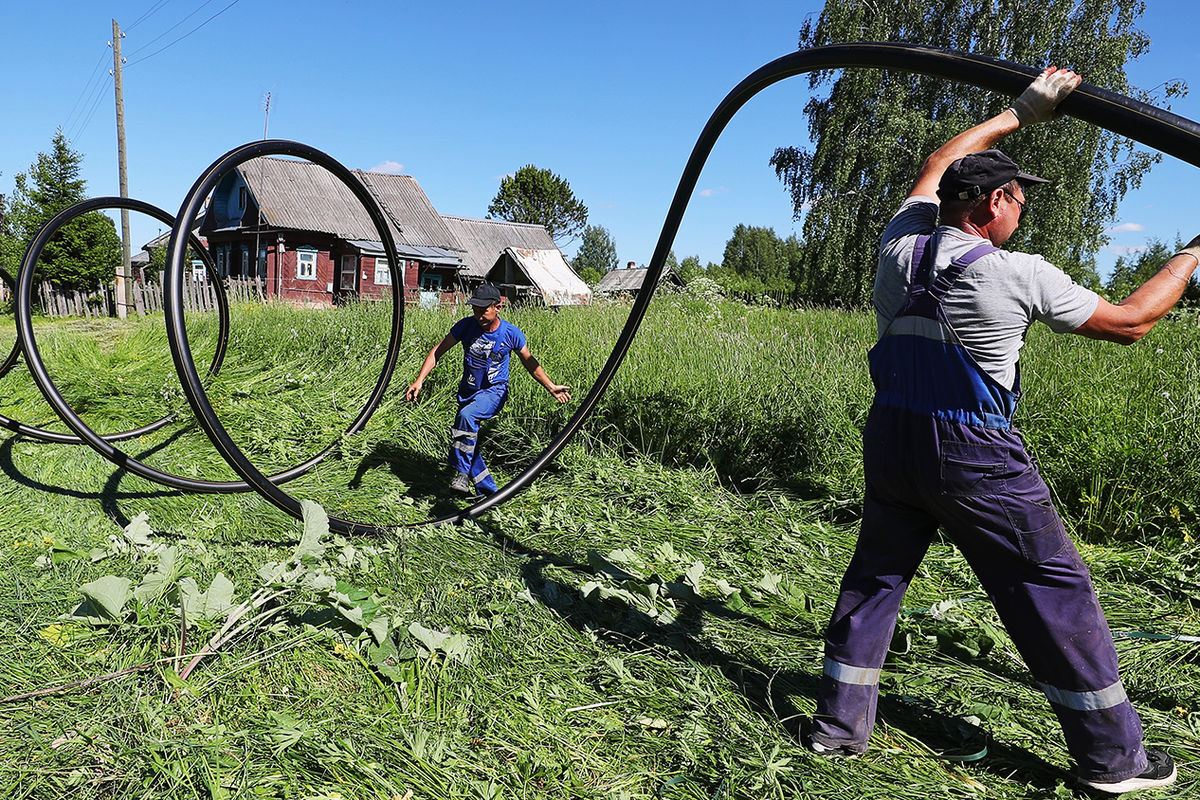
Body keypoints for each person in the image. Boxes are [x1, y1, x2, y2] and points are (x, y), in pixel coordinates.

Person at [809, 66, 1198, 794]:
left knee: (876, 578)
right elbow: (1133, 322)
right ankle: (1115, 762)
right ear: (994, 203)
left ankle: (837, 730)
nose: (1024, 211)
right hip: (973, 457)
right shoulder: (1018, 273)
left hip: (892, 440)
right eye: (1019, 198)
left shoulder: (899, 246)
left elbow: (934, 166)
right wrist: (1193, 252)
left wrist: (1020, 112)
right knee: (1052, 587)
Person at [405, 284, 571, 495]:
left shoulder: (511, 333)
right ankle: (489, 493)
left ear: (498, 308)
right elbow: (438, 351)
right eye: (475, 310)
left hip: (494, 392)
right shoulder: (466, 326)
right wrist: (420, 380)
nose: (479, 315)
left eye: (483, 310)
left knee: (466, 417)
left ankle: (462, 474)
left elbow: (530, 362)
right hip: (468, 392)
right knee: (465, 436)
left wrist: (551, 387)